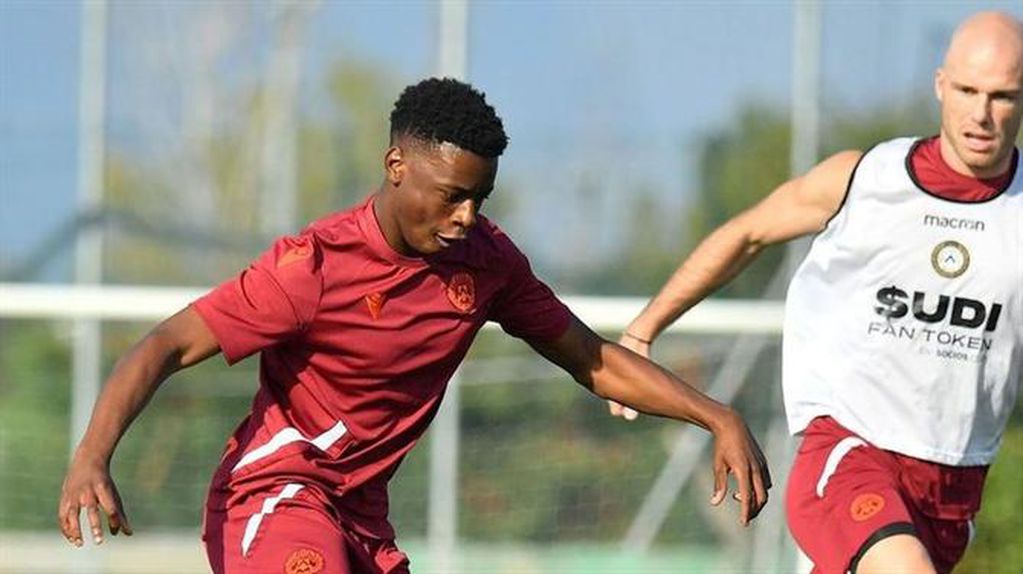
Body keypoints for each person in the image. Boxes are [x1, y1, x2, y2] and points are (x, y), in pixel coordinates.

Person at [57, 78, 770, 574]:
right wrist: (92, 455)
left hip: (362, 520)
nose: (466, 217)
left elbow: (591, 357)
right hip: (275, 497)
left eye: (480, 198)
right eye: (452, 195)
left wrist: (716, 417)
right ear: (396, 165)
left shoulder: (488, 263)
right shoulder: (313, 267)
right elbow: (165, 344)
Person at [612, 11, 1022, 574]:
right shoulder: (866, 179)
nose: (981, 113)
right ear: (940, 85)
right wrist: (643, 329)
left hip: (952, 485)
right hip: (848, 451)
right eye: (968, 91)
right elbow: (748, 234)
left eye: (1002, 96)